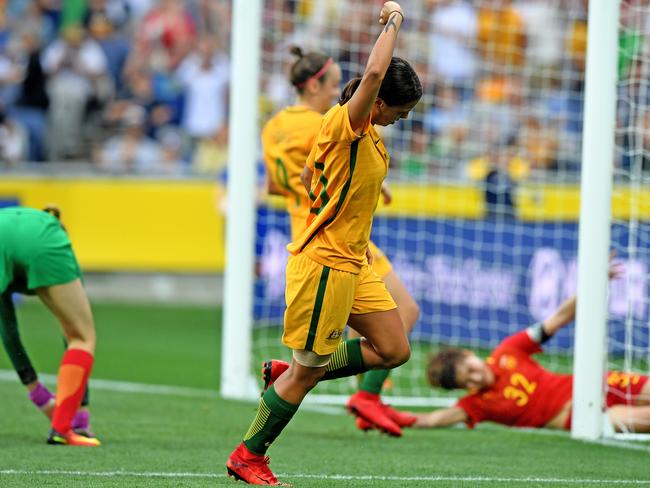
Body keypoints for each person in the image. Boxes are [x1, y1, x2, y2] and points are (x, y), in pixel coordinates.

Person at [226, 2, 422, 484]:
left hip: (352, 263)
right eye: (400, 111)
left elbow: (303, 175)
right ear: (375, 103)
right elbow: (375, 69)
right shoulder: (345, 123)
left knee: (395, 347)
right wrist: (395, 21)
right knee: (307, 373)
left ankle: (286, 372)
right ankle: (248, 454)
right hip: (325, 264)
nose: (401, 118)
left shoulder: (368, 134)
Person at [260, 45, 420, 437]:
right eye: (332, 83)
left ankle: (349, 390)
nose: (337, 90)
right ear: (314, 84)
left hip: (324, 229)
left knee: (396, 329)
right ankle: (252, 449)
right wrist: (393, 21)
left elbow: (285, 183)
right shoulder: (328, 122)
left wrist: (350, 184)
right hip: (333, 241)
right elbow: (372, 78)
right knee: (405, 311)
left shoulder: (275, 127)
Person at [414, 261, 650, 434]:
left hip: (595, 386)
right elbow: (432, 420)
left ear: (469, 354)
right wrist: (390, 416)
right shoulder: (477, 404)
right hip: (581, 416)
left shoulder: (508, 351)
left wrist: (595, 283)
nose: (475, 380)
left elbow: (559, 318)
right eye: (466, 383)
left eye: (470, 370)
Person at [0, 206, 100, 447]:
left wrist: (38, 394)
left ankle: (63, 425)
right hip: (41, 240)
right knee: (82, 336)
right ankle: (63, 429)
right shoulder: (55, 236)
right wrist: (80, 416)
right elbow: (72, 335)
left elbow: (7, 329)